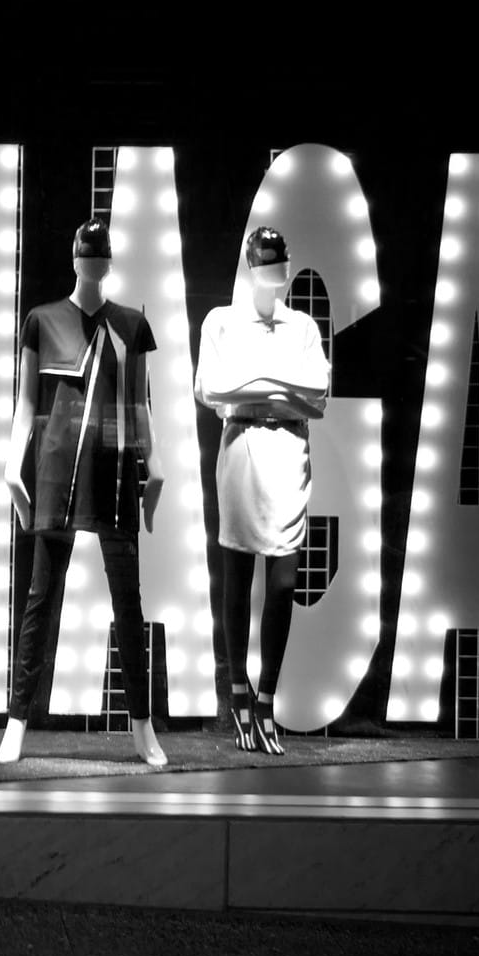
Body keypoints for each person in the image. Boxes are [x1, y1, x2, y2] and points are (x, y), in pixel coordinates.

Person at [0, 217, 167, 767]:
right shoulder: (41, 320)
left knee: (128, 606)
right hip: (55, 467)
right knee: (41, 600)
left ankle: (142, 725)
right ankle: (17, 721)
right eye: (85, 252)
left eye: (100, 253)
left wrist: (155, 465)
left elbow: (141, 405)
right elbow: (26, 404)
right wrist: (10, 463)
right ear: (74, 259)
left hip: (114, 469)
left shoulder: (131, 325)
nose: (92, 261)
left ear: (108, 261)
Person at [194, 226, 328, 755]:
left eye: (279, 263)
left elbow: (316, 396)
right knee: (235, 571)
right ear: (251, 266)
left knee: (283, 581)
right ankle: (237, 693)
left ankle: (268, 693)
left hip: (288, 456)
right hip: (241, 452)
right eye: (264, 263)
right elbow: (212, 389)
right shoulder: (221, 322)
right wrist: (281, 389)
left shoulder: (303, 328)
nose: (273, 273)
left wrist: (253, 388)